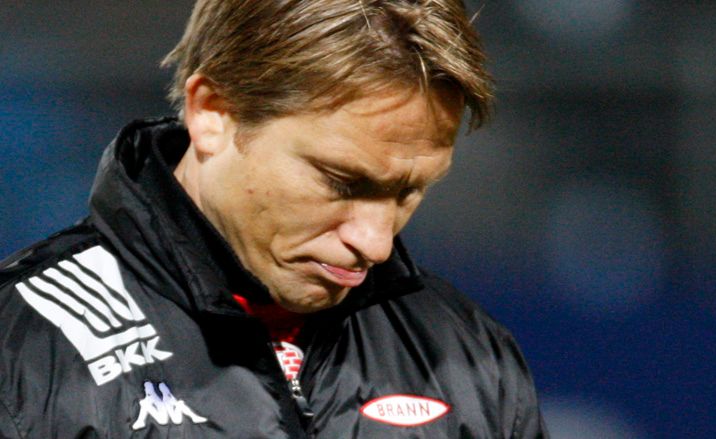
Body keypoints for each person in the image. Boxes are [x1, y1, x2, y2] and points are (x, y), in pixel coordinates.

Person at [0, 1, 547, 437]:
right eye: (341, 182)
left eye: (409, 191)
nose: (376, 244)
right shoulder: (23, 355)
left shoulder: (466, 352)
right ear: (213, 112)